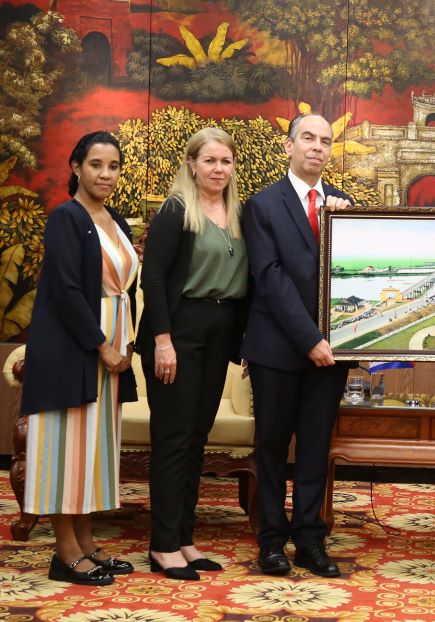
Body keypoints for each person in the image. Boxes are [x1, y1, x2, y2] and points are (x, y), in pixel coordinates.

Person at [20, 131, 138, 585]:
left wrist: (126, 343)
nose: (105, 174)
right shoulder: (66, 218)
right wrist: (103, 345)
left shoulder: (116, 221)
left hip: (110, 356)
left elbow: (126, 289)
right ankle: (64, 552)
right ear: (76, 167)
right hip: (74, 350)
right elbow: (68, 292)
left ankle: (87, 543)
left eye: (112, 166)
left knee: (90, 455)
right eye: (95, 165)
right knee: (62, 453)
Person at [242, 112, 353, 578]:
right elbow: (269, 278)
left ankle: (310, 539)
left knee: (314, 448)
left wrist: (349, 233)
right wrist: (310, 339)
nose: (317, 147)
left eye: (325, 141)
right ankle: (271, 541)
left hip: (332, 353)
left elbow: (352, 274)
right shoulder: (262, 205)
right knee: (271, 445)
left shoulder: (344, 204)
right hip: (279, 348)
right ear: (288, 146)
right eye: (307, 138)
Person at [137, 127, 249, 580]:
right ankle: (161, 545)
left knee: (196, 439)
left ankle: (184, 538)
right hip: (177, 334)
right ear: (191, 164)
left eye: (225, 162)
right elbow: (154, 279)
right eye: (209, 161)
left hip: (219, 332)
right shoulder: (175, 211)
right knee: (173, 440)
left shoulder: (237, 212)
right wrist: (162, 341)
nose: (218, 169)